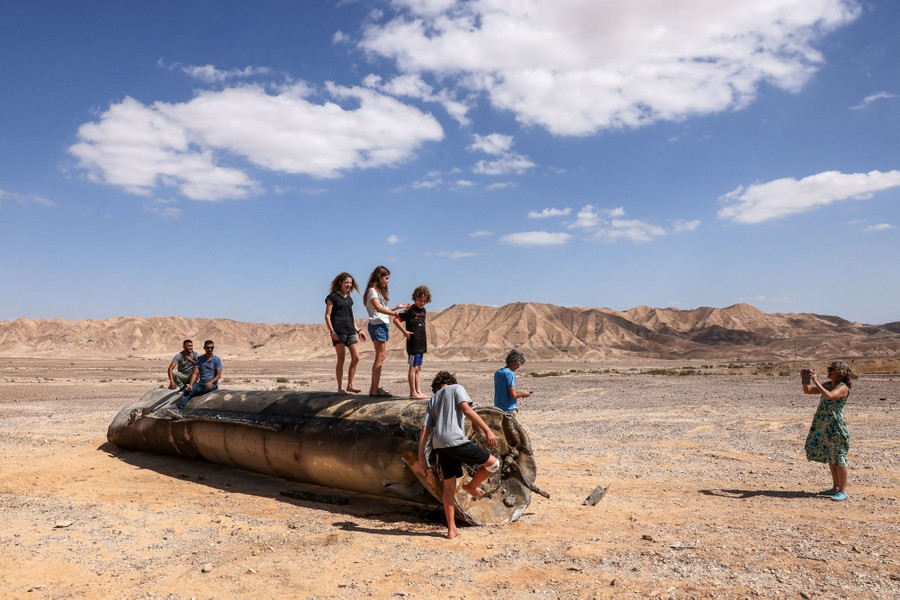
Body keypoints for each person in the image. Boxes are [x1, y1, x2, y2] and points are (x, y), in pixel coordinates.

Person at [417, 371, 499, 539]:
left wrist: (420, 458)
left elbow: (425, 429)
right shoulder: (456, 388)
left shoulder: (433, 399)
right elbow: (466, 410)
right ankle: (470, 486)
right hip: (455, 440)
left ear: (436, 387)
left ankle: (451, 529)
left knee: (449, 488)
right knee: (493, 464)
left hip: (439, 445)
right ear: (451, 381)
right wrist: (488, 430)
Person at [802, 360, 853, 501]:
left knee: (839, 457)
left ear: (840, 373)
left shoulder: (843, 388)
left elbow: (830, 396)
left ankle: (843, 491)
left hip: (835, 426)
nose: (828, 370)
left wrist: (816, 381)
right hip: (824, 424)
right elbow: (808, 391)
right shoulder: (828, 385)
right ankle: (835, 487)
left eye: (832, 369)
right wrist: (805, 379)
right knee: (832, 456)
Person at [363, 265, 407, 397]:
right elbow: (378, 308)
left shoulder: (378, 292)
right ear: (379, 277)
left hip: (382, 324)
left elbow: (382, 309)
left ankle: (374, 388)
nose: (387, 281)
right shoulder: (372, 291)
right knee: (380, 357)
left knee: (381, 357)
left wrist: (396, 308)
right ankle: (374, 389)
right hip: (378, 325)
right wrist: (395, 314)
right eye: (386, 278)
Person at [325, 272, 367, 394]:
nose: (349, 285)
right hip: (338, 331)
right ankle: (340, 388)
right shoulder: (332, 297)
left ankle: (350, 385)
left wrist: (358, 330)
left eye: (350, 283)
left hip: (350, 331)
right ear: (340, 283)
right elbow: (327, 316)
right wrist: (332, 331)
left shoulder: (349, 299)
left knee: (356, 357)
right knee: (341, 359)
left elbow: (350, 318)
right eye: (346, 282)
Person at [393, 285, 432, 399]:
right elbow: (396, 320)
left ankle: (418, 391)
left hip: (421, 342)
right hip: (413, 343)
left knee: (418, 367)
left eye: (424, 301)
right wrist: (404, 332)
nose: (422, 303)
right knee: (412, 367)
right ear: (415, 298)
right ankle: (412, 392)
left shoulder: (423, 310)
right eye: (420, 300)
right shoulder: (410, 310)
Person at [168, 340, 222, 417]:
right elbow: (195, 373)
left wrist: (211, 382)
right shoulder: (200, 359)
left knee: (204, 389)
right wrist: (190, 385)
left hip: (212, 384)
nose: (210, 349)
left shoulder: (217, 359)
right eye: (208, 348)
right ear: (204, 348)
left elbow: (218, 375)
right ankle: (179, 410)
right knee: (188, 390)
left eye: (212, 348)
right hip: (201, 383)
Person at [493, 349, 531, 415]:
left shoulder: (498, 372)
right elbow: (513, 395)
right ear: (514, 362)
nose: (518, 366)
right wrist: (524, 394)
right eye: (518, 364)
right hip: (508, 409)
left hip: (498, 408)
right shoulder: (510, 374)